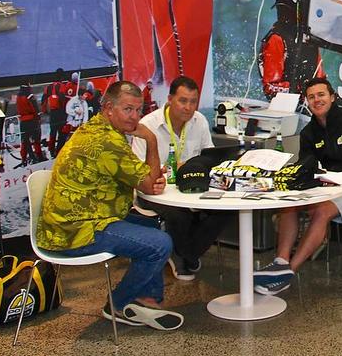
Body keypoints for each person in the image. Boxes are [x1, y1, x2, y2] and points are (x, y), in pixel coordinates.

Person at [36, 81, 183, 331]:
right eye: (128, 109)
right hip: (75, 231)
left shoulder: (97, 128)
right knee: (160, 244)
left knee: (151, 223)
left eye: (138, 110)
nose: (135, 117)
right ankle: (117, 304)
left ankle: (147, 299)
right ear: (108, 108)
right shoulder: (107, 141)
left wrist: (151, 175)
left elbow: (148, 178)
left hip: (74, 220)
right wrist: (149, 138)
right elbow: (149, 183)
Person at [254, 77, 342, 295]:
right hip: (330, 186)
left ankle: (289, 272)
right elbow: (305, 165)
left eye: (321, 95)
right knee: (288, 206)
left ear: (332, 97)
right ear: (307, 102)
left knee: (321, 211)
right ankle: (280, 262)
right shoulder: (309, 132)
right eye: (311, 97)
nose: (316, 100)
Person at [130, 76, 232, 281]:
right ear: (170, 99)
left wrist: (196, 167)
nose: (188, 107)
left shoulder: (199, 121)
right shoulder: (147, 125)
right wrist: (167, 170)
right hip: (157, 192)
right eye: (183, 101)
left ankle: (186, 253)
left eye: (193, 101)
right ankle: (186, 255)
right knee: (179, 215)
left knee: (226, 210)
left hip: (192, 188)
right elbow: (138, 171)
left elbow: (209, 157)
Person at [258, 0, 324, 99]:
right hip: (287, 105)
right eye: (280, 9)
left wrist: (327, 92)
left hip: (311, 102)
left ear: (298, 12)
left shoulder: (309, 39)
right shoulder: (276, 39)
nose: (282, 15)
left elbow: (321, 78)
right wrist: (300, 90)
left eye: (287, 10)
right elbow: (270, 87)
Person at [41, 68, 71, 157]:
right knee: (62, 133)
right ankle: (59, 151)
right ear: (62, 76)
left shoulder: (48, 87)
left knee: (52, 132)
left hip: (52, 113)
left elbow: (43, 99)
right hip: (60, 113)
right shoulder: (61, 86)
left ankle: (51, 150)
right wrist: (65, 110)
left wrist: (45, 111)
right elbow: (62, 98)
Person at [15, 83, 45, 165]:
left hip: (23, 122)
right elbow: (35, 109)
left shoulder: (18, 97)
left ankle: (25, 159)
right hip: (32, 120)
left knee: (25, 142)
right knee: (36, 140)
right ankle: (39, 157)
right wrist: (38, 118)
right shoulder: (30, 96)